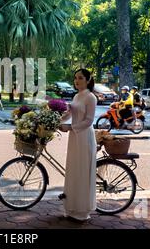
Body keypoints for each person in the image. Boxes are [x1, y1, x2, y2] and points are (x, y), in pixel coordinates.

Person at [59, 68, 97, 222]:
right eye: (75, 78)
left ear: (88, 80)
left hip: (84, 136)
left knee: (82, 171)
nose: (77, 80)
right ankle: (71, 207)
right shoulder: (76, 96)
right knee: (73, 169)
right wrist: (57, 120)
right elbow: (69, 114)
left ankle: (81, 211)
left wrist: (71, 128)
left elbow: (89, 121)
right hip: (74, 138)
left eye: (80, 78)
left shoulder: (90, 97)